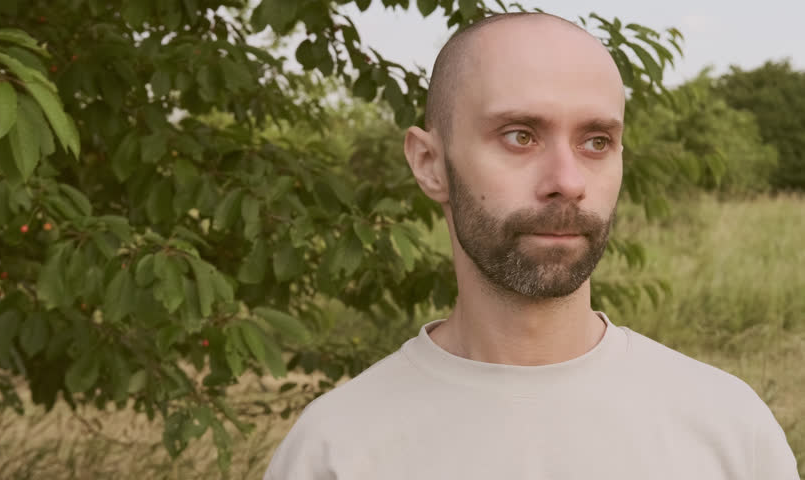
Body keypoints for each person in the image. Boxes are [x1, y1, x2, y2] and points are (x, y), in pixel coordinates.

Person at [263, 12, 799, 479]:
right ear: (429, 164)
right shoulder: (334, 449)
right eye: (520, 135)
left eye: (596, 141)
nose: (567, 181)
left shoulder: (730, 430)